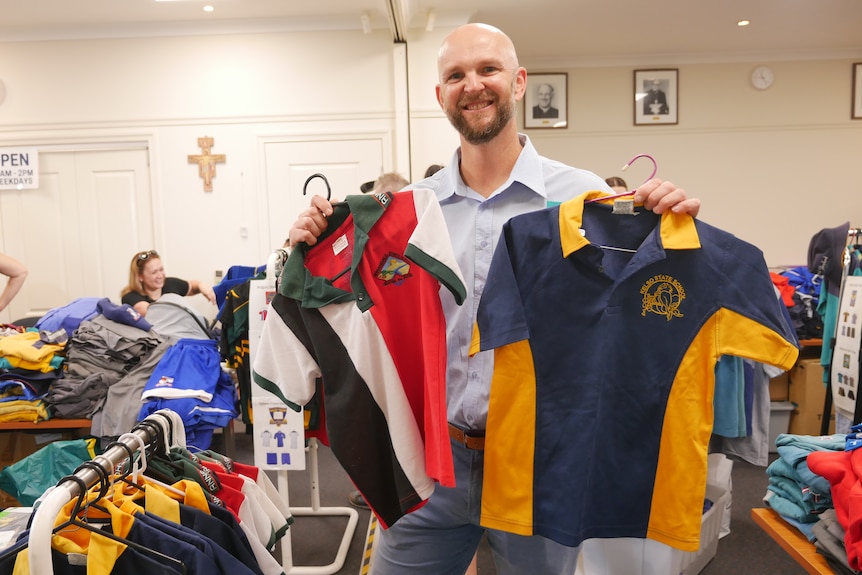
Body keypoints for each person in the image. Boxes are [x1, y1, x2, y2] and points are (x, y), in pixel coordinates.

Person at [287, 23, 700, 574]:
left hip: (539, 464)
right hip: (435, 462)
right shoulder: (406, 210)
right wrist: (310, 238)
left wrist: (668, 231)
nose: (472, 85)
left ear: (520, 81)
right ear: (440, 96)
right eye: (455, 75)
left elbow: (647, 310)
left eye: (488, 70)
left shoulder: (585, 198)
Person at [120, 250, 216, 316]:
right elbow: (155, 314)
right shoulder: (130, 297)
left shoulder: (169, 284)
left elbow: (193, 286)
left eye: (161, 269)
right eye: (154, 272)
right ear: (140, 276)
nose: (160, 275)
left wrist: (203, 287)